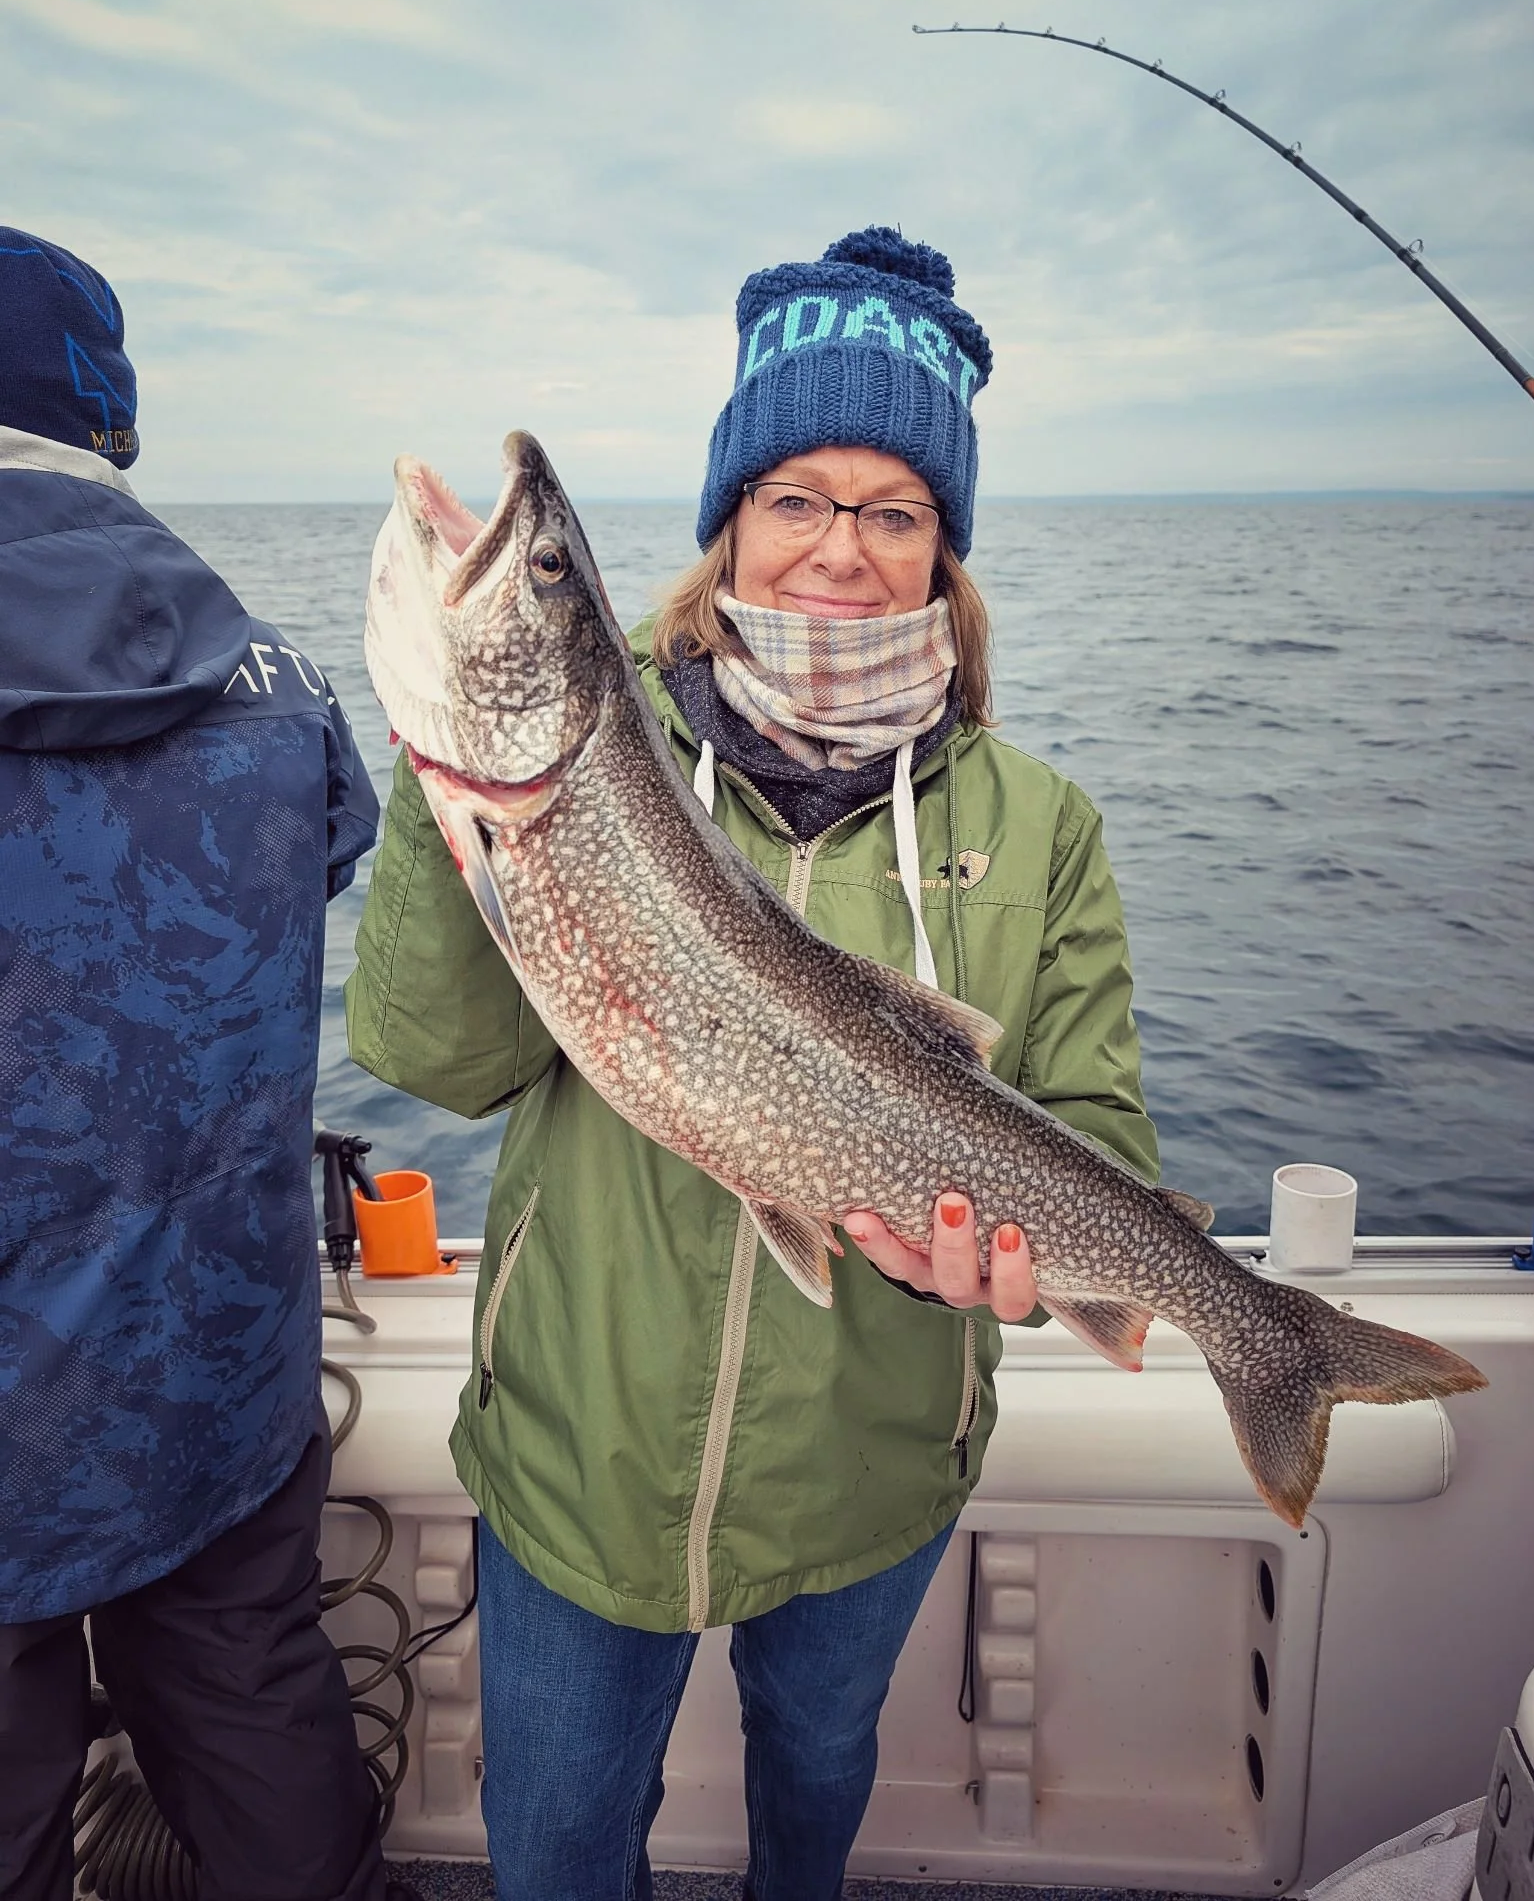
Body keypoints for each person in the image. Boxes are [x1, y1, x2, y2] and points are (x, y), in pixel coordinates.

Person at [347, 225, 1159, 1901]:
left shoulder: (1038, 828)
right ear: (731, 523)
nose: (840, 550)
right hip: (582, 1449)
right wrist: (460, 818)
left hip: (871, 1465)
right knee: (560, 1849)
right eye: (797, 496)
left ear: (946, 548)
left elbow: (1093, 1134)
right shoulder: (602, 748)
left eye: (892, 509)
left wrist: (1000, 1272)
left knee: (817, 1790)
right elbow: (430, 1056)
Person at [0, 229, 389, 1901]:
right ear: (115, 425)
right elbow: (328, 857)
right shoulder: (285, 689)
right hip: (215, 1359)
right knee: (251, 1713)